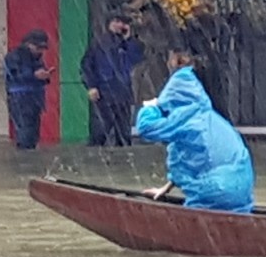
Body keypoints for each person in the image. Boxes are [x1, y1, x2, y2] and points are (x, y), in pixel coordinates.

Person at [133, 61, 254, 213]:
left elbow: (146, 128)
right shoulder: (214, 119)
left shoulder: (185, 118)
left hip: (213, 192)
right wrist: (166, 189)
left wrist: (152, 107)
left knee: (195, 221)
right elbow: (194, 161)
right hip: (242, 192)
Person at [80, 13, 145, 147]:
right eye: (117, 21)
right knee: (100, 131)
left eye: (123, 23)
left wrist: (129, 39)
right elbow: (87, 66)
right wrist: (91, 86)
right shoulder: (99, 43)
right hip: (104, 91)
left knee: (123, 133)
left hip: (123, 92)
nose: (120, 25)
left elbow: (136, 59)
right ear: (110, 23)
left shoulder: (128, 44)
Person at [3, 30, 52, 150]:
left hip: (35, 98)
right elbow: (13, 75)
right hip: (20, 98)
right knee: (25, 132)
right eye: (38, 47)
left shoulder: (37, 58)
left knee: (32, 133)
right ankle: (25, 159)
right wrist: (34, 75)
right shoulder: (14, 56)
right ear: (29, 44)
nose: (40, 51)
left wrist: (45, 76)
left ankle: (28, 157)